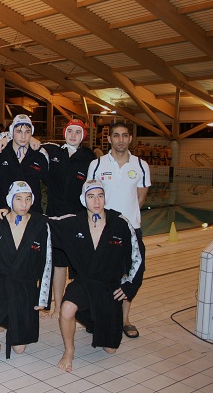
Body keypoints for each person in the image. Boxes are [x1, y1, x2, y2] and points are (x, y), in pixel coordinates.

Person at [49, 180, 143, 372]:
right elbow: (42, 223)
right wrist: (8, 214)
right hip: (84, 282)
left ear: (105, 198)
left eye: (100, 196)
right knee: (67, 309)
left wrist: (128, 286)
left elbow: (137, 258)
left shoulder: (120, 223)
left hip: (108, 287)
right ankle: (69, 350)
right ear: (84, 200)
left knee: (110, 349)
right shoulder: (73, 222)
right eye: (91, 196)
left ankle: (94, 321)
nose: (96, 201)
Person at [0, 181, 52, 364]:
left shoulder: (41, 224)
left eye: (28, 199)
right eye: (19, 199)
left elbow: (47, 262)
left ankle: (8, 319)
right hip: (1, 283)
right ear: (10, 200)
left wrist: (43, 298)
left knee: (19, 349)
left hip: (25, 287)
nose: (24, 204)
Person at [87, 122, 150, 339]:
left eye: (124, 135)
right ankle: (98, 316)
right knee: (100, 274)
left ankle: (125, 319)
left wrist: (125, 222)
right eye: (116, 135)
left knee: (129, 275)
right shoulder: (97, 164)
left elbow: (140, 197)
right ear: (109, 139)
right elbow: (91, 197)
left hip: (131, 229)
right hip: (102, 230)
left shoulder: (141, 165)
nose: (120, 140)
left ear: (130, 139)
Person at [40, 119, 96, 318]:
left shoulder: (90, 158)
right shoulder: (53, 152)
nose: (73, 135)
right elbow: (30, 143)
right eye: (70, 131)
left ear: (83, 136)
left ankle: (80, 304)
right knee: (58, 263)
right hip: (54, 216)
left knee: (81, 264)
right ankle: (57, 305)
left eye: (77, 132)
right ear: (64, 133)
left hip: (78, 218)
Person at [0, 115, 50, 214]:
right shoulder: (0, 152)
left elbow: (51, 182)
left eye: (27, 132)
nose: (23, 136)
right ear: (12, 131)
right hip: (4, 213)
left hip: (33, 214)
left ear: (31, 133)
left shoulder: (39, 155)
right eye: (19, 132)